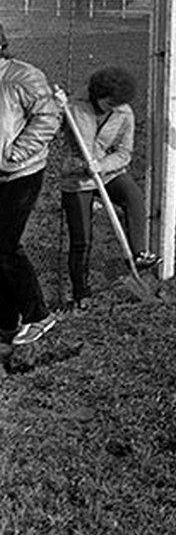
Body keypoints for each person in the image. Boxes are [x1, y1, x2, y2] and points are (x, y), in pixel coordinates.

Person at [58, 67, 158, 310]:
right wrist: (57, 106)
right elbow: (49, 125)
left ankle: (138, 255)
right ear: (98, 94)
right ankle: (81, 294)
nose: (113, 107)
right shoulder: (73, 107)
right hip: (77, 178)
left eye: (117, 103)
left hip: (106, 172)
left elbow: (124, 153)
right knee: (82, 239)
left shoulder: (124, 112)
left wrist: (101, 165)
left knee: (133, 196)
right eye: (109, 102)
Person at [0, 22, 62, 345]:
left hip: (22, 173)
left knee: (5, 245)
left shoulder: (23, 77)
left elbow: (48, 117)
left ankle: (39, 315)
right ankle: (7, 323)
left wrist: (15, 152)